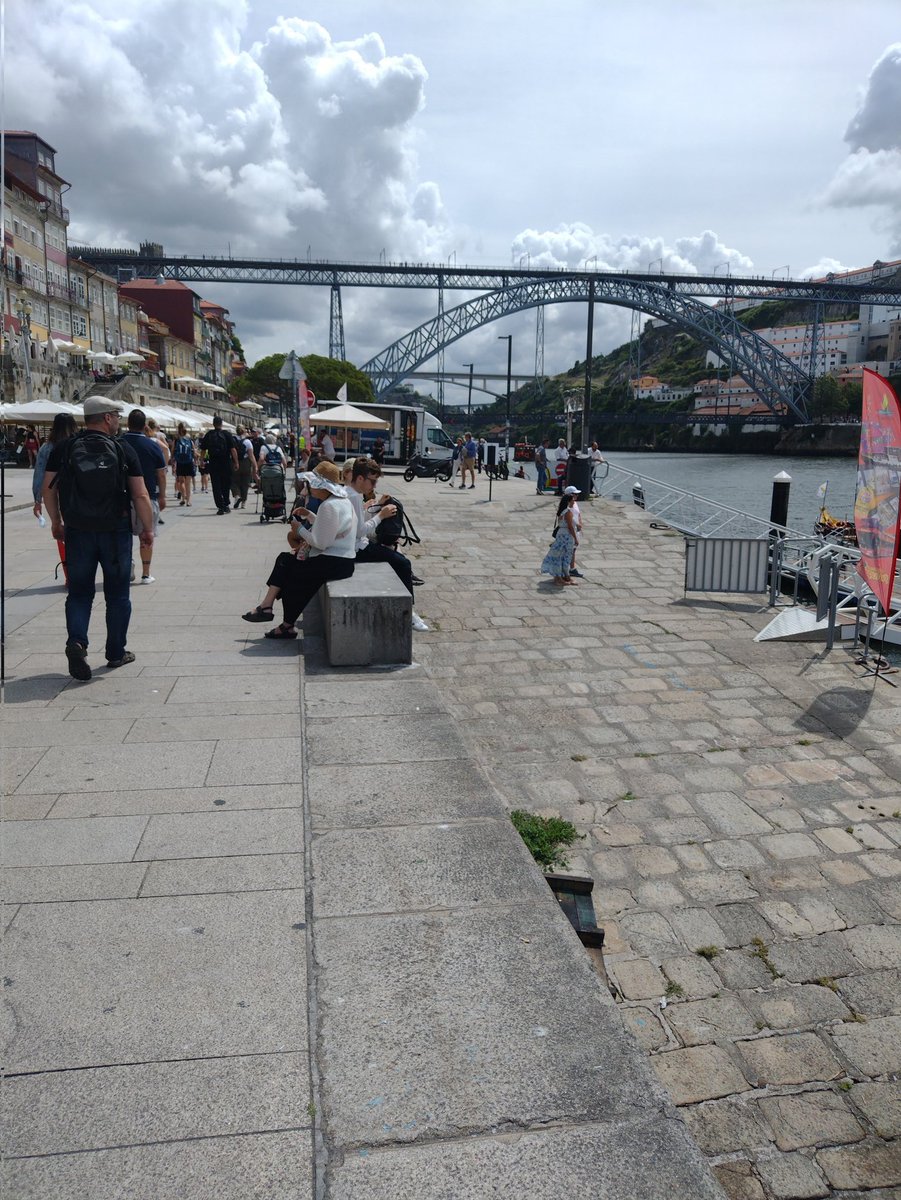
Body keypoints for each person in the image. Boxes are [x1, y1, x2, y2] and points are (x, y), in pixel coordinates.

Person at [41, 395, 154, 679]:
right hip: (115, 532)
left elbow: (48, 489)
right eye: (116, 414)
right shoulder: (122, 448)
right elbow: (140, 494)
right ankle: (116, 653)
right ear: (106, 417)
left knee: (79, 594)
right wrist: (147, 529)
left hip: (78, 531)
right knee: (118, 595)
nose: (118, 419)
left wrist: (56, 521)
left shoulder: (65, 448)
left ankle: (77, 642)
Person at [241, 461, 356, 640]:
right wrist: (310, 516)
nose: (308, 487)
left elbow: (320, 542)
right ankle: (275, 614)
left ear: (322, 486)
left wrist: (298, 528)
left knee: (287, 567)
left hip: (331, 561)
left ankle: (272, 611)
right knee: (287, 566)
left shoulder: (329, 506)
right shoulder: (341, 502)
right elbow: (332, 529)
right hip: (342, 562)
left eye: (311, 484)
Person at [347, 457, 428, 631]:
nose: (374, 486)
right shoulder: (354, 497)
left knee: (395, 554)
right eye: (373, 481)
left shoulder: (350, 493)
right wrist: (381, 515)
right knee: (403, 563)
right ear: (360, 478)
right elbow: (360, 531)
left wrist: (372, 507)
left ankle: (406, 608)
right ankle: (410, 613)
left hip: (355, 546)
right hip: (357, 549)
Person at [122, 408, 167, 584]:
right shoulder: (152, 445)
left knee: (123, 536)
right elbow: (161, 474)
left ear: (128, 424)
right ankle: (146, 573)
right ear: (144, 425)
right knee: (146, 536)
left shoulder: (118, 442)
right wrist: (162, 496)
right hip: (147, 496)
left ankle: (127, 564)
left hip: (122, 497)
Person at [200, 415, 239, 514]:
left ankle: (220, 506)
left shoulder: (209, 434)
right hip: (226, 462)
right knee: (226, 484)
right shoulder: (227, 434)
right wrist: (236, 462)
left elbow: (203, 450)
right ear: (222, 424)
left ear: (213, 424)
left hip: (213, 463)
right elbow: (233, 450)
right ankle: (226, 504)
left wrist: (201, 461)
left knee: (216, 485)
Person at [541, 489, 578, 587]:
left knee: (559, 555)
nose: (574, 502)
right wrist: (576, 539)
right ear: (569, 501)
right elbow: (570, 527)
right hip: (566, 535)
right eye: (573, 500)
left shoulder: (561, 512)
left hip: (560, 534)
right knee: (566, 556)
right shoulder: (568, 512)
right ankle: (561, 577)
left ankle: (564, 576)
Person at [231, 425, 257, 509]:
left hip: (235, 462)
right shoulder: (247, 442)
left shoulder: (233, 440)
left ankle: (237, 496)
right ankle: (243, 503)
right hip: (245, 463)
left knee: (234, 481)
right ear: (244, 431)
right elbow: (251, 455)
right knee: (245, 483)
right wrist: (255, 465)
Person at [172, 422, 197, 507]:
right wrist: (196, 460)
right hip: (189, 462)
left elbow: (172, 451)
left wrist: (173, 462)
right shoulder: (189, 439)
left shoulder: (176, 439)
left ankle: (183, 497)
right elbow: (194, 451)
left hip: (180, 462)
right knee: (188, 482)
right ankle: (188, 501)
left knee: (181, 481)